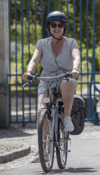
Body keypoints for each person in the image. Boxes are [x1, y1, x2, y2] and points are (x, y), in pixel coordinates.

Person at [22, 11, 81, 163]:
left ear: (64, 27)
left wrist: (75, 69)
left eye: (60, 25)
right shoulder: (42, 43)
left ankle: (67, 118)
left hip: (65, 77)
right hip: (47, 78)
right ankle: (42, 151)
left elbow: (76, 56)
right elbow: (34, 60)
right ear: (49, 27)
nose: (57, 28)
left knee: (68, 83)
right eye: (53, 25)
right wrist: (29, 72)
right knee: (41, 110)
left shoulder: (71, 43)